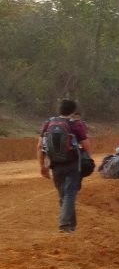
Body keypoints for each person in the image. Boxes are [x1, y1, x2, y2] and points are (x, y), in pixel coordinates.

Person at [38, 99, 90, 233]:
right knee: (70, 193)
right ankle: (65, 225)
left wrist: (42, 166)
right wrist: (87, 158)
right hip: (72, 163)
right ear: (73, 111)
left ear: (59, 110)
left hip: (55, 164)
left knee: (63, 193)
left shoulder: (48, 123)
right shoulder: (76, 125)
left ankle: (71, 226)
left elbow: (40, 146)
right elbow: (85, 144)